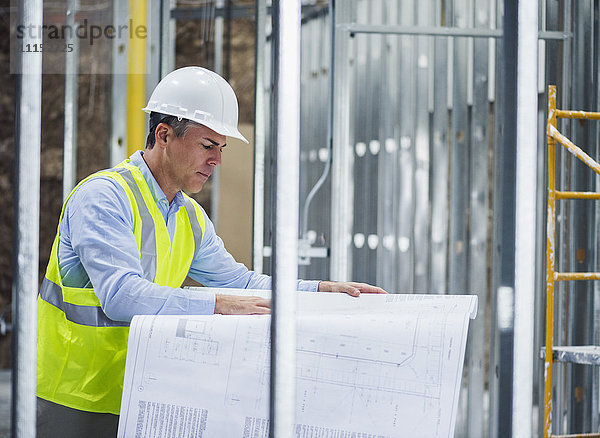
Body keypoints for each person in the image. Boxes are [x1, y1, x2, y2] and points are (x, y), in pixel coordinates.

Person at [36, 66, 386, 437]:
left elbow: (240, 282)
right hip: (74, 399)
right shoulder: (104, 196)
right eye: (207, 146)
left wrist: (317, 291)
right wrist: (217, 304)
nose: (217, 160)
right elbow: (121, 296)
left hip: (139, 394)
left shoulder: (189, 216)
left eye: (221, 148)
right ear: (164, 135)